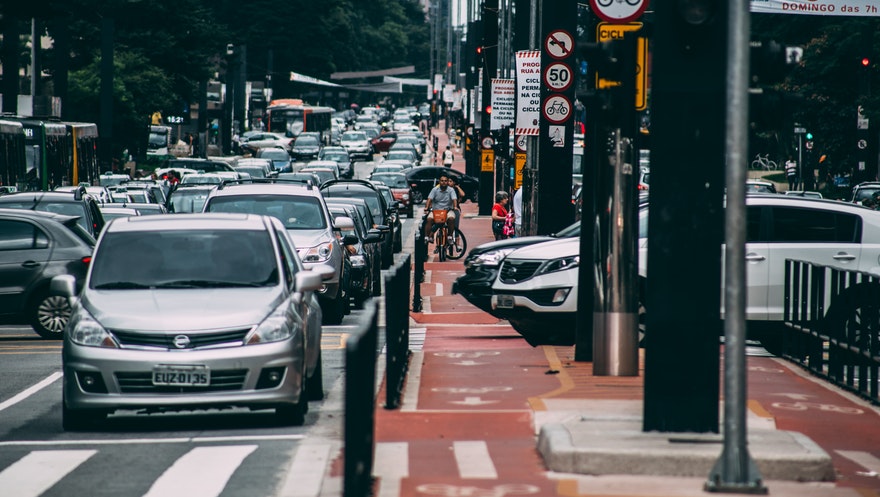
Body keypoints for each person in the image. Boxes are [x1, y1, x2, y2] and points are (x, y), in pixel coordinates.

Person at [424, 173, 458, 243]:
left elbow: (454, 199)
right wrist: (426, 207)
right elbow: (429, 199)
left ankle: (450, 236)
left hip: (448, 211)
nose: (444, 182)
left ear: (447, 182)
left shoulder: (451, 190)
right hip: (436, 211)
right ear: (439, 181)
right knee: (429, 219)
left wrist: (455, 207)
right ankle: (427, 237)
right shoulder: (434, 190)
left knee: (451, 218)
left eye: (445, 181)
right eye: (442, 181)